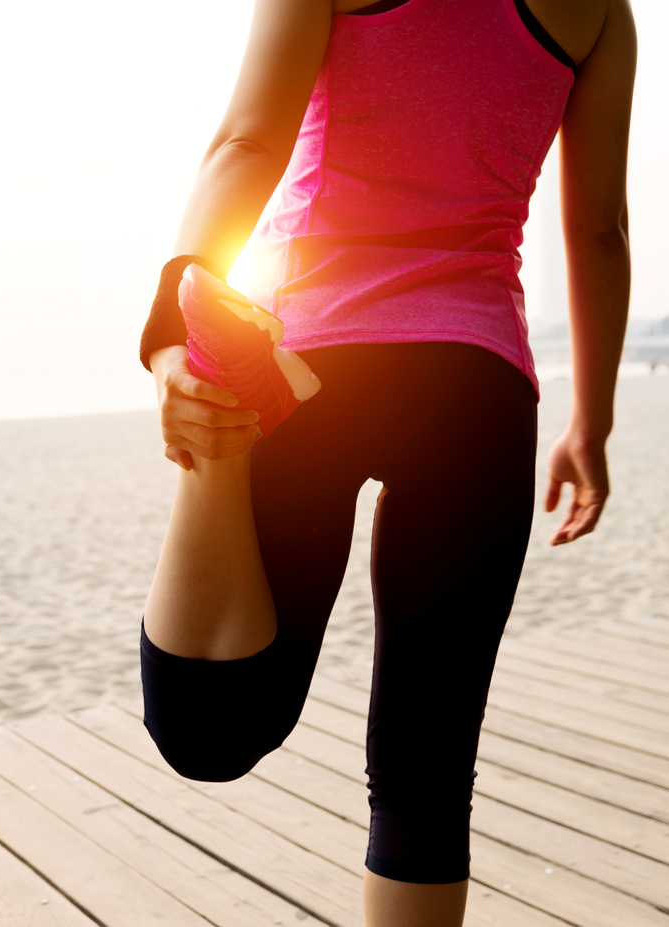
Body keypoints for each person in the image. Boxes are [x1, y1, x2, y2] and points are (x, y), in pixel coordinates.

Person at [137, 1, 636, 925]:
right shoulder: (600, 9)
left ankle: (221, 416)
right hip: (472, 384)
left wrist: (173, 319)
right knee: (425, 767)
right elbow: (598, 229)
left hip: (307, 360)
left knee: (208, 729)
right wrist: (590, 424)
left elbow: (248, 142)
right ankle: (225, 404)